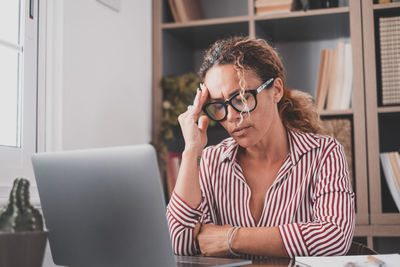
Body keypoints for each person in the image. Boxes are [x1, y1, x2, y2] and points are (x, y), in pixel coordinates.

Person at [166, 36, 354, 258]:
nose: (232, 117)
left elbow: (334, 236)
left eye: (242, 98)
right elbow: (179, 244)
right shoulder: (210, 161)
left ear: (275, 90)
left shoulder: (323, 153)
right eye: (219, 106)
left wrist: (231, 238)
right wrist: (191, 151)